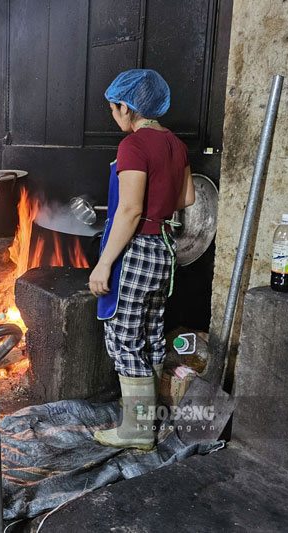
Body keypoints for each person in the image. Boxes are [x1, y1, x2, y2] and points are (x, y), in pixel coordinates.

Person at [89, 69, 195, 450]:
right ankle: (145, 420)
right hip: (164, 252)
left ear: (126, 107)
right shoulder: (176, 144)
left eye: (113, 108)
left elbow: (130, 211)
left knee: (123, 338)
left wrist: (103, 264)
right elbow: (187, 200)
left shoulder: (133, 146)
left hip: (136, 249)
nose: (113, 115)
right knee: (150, 335)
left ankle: (135, 431)